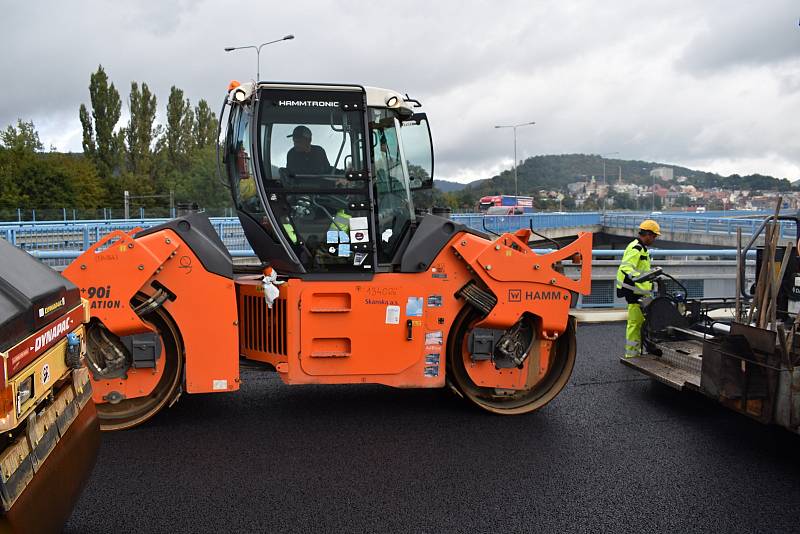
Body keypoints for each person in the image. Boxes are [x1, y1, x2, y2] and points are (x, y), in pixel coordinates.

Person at [616, 219, 661, 358]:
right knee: (635, 323)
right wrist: (639, 278)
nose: (654, 239)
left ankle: (639, 350)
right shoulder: (637, 249)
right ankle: (632, 355)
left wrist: (649, 275)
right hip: (634, 290)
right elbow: (626, 268)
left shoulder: (640, 247)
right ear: (647, 234)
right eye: (653, 236)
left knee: (642, 322)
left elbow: (640, 268)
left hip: (638, 290)